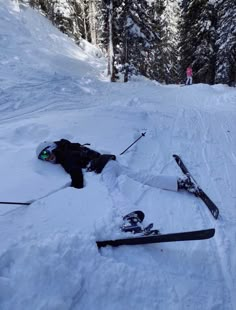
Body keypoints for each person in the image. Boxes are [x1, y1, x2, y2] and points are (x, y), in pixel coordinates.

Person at [36, 139, 194, 194]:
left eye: (46, 154)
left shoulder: (64, 155)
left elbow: (75, 171)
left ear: (52, 148)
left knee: (113, 192)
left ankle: (130, 216)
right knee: (139, 176)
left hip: (103, 167)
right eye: (43, 158)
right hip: (107, 162)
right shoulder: (67, 147)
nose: (47, 159)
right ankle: (178, 183)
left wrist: (75, 189)